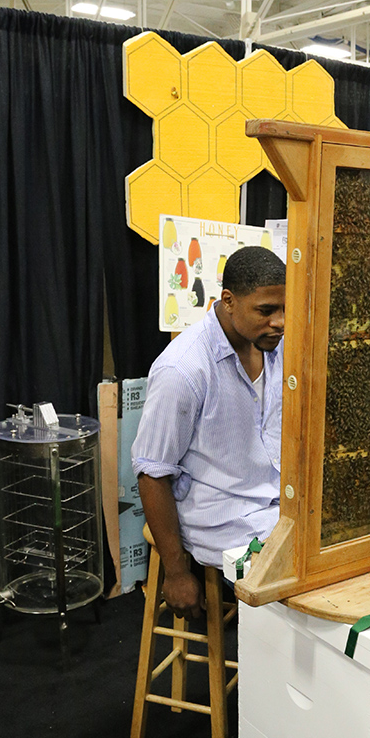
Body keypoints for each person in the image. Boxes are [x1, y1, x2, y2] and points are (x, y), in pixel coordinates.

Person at [132, 245, 286, 621]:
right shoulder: (183, 370)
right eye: (266, 311)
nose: (279, 322)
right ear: (229, 301)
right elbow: (152, 472)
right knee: (295, 597)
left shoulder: (277, 347)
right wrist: (177, 571)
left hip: (279, 507)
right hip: (221, 520)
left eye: (285, 308)